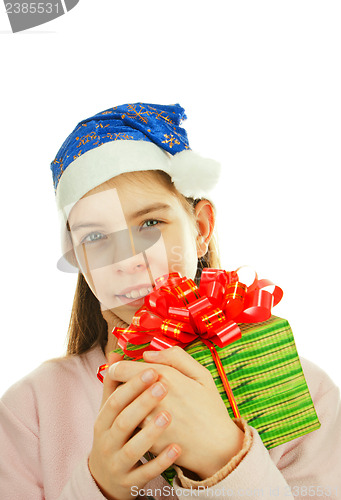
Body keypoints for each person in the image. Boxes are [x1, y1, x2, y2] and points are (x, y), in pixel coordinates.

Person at [0, 102, 340, 500]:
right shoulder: (30, 412)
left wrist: (224, 460)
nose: (127, 260)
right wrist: (98, 487)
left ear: (201, 227)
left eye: (149, 224)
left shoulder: (305, 389)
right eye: (95, 237)